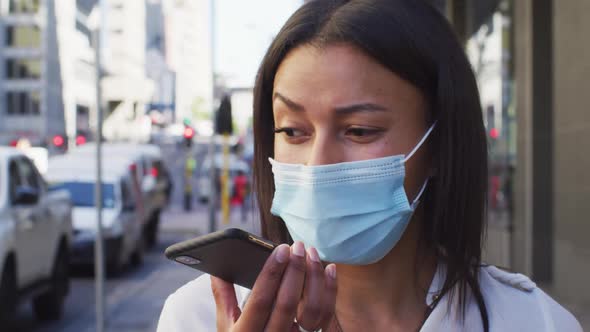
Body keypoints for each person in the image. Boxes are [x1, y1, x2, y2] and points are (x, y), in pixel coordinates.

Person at [157, 1, 582, 331]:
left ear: (437, 147)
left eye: (359, 130)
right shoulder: (200, 318)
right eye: (292, 131)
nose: (317, 164)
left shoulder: (532, 323)